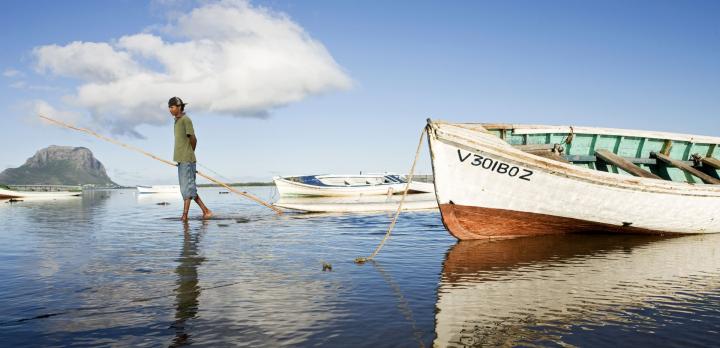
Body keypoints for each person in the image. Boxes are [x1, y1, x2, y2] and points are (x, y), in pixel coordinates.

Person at [169, 96, 213, 221]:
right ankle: (206, 211)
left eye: (172, 107)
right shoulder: (176, 121)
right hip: (181, 159)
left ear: (179, 107)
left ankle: (185, 216)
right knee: (188, 188)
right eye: (169, 107)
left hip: (186, 159)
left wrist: (189, 153)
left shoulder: (185, 120)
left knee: (187, 189)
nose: (170, 110)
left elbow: (193, 139)